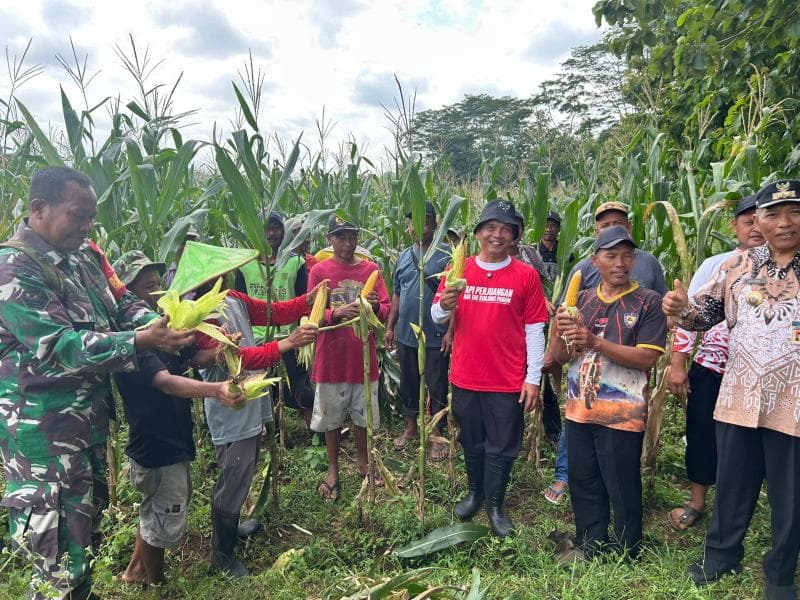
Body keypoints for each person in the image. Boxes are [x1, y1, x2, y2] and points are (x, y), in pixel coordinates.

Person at [0, 167, 194, 600]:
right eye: (77, 215)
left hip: (87, 432)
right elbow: (60, 347)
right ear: (38, 209)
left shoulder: (84, 258)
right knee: (53, 560)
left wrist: (166, 323)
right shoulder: (12, 267)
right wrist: (144, 339)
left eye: (91, 217)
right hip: (45, 445)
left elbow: (122, 304)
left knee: (82, 539)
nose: (87, 227)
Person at [663, 180, 800, 600]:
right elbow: (701, 316)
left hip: (793, 402)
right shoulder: (738, 266)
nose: (784, 223)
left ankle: (779, 573)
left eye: (793, 211)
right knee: (733, 483)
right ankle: (721, 556)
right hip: (739, 394)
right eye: (773, 214)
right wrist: (680, 308)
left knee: (790, 493)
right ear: (757, 220)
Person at [110, 251, 244, 586]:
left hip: (173, 436)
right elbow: (165, 383)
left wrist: (219, 351)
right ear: (127, 292)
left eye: (158, 284)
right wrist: (215, 390)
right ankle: (157, 582)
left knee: (157, 507)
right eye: (147, 286)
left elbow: (189, 358)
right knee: (164, 511)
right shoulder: (133, 339)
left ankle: (136, 570)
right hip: (156, 442)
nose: (156, 291)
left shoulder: (163, 329)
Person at [188, 244, 320, 578]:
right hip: (228, 405)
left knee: (244, 468)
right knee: (233, 474)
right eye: (217, 270)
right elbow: (238, 358)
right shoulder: (196, 315)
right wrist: (287, 344)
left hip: (251, 399)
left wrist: (307, 302)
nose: (223, 274)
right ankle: (222, 554)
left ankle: (232, 530)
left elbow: (273, 312)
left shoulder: (233, 298)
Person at [432, 200, 548, 537]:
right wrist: (444, 304)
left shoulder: (525, 276)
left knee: (502, 443)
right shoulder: (459, 269)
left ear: (514, 237)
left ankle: (495, 504)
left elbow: (534, 329)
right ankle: (475, 494)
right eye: (491, 227)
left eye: (506, 229)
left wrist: (533, 378)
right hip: (466, 375)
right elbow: (437, 316)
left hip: (507, 379)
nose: (497, 234)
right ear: (479, 232)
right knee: (471, 439)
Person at [552, 225, 666, 559]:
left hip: (622, 413)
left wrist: (595, 342)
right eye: (611, 255)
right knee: (583, 478)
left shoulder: (648, 302)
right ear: (594, 260)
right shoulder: (583, 300)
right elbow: (561, 357)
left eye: (627, 255)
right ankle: (591, 542)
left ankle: (628, 548)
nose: (620, 263)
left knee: (621, 482)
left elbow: (647, 356)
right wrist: (559, 331)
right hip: (579, 410)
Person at [666, 195, 765, 530]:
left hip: (754, 374)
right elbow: (688, 313)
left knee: (748, 443)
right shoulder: (716, 265)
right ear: (734, 226)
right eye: (746, 221)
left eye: (759, 219)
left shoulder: (782, 268)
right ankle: (697, 501)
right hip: (710, 368)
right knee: (702, 434)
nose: (755, 227)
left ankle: (738, 510)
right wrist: (678, 365)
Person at [308, 215, 390, 501]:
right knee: (331, 418)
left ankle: (363, 461)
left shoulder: (372, 269)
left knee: (362, 415)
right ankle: (332, 468)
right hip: (331, 358)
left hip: (362, 357)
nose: (347, 243)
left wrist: (377, 308)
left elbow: (386, 306)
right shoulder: (320, 271)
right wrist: (336, 313)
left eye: (352, 236)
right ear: (330, 240)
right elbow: (312, 312)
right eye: (341, 237)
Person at [235, 211, 316, 433]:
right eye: (267, 229)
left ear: (284, 231)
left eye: (276, 228)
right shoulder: (245, 265)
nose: (272, 233)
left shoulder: (295, 263)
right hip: (256, 339)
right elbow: (241, 305)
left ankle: (314, 432)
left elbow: (303, 299)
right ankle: (272, 432)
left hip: (290, 336)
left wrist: (304, 335)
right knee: (262, 389)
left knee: (300, 386)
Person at [385, 202, 451, 461]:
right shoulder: (403, 256)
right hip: (406, 334)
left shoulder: (447, 256)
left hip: (435, 334)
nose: (418, 226)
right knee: (409, 383)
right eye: (413, 221)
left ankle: (436, 433)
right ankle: (411, 426)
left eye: (425, 221)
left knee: (436, 383)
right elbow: (398, 294)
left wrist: (450, 332)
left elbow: (455, 298)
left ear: (435, 224)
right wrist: (391, 326)